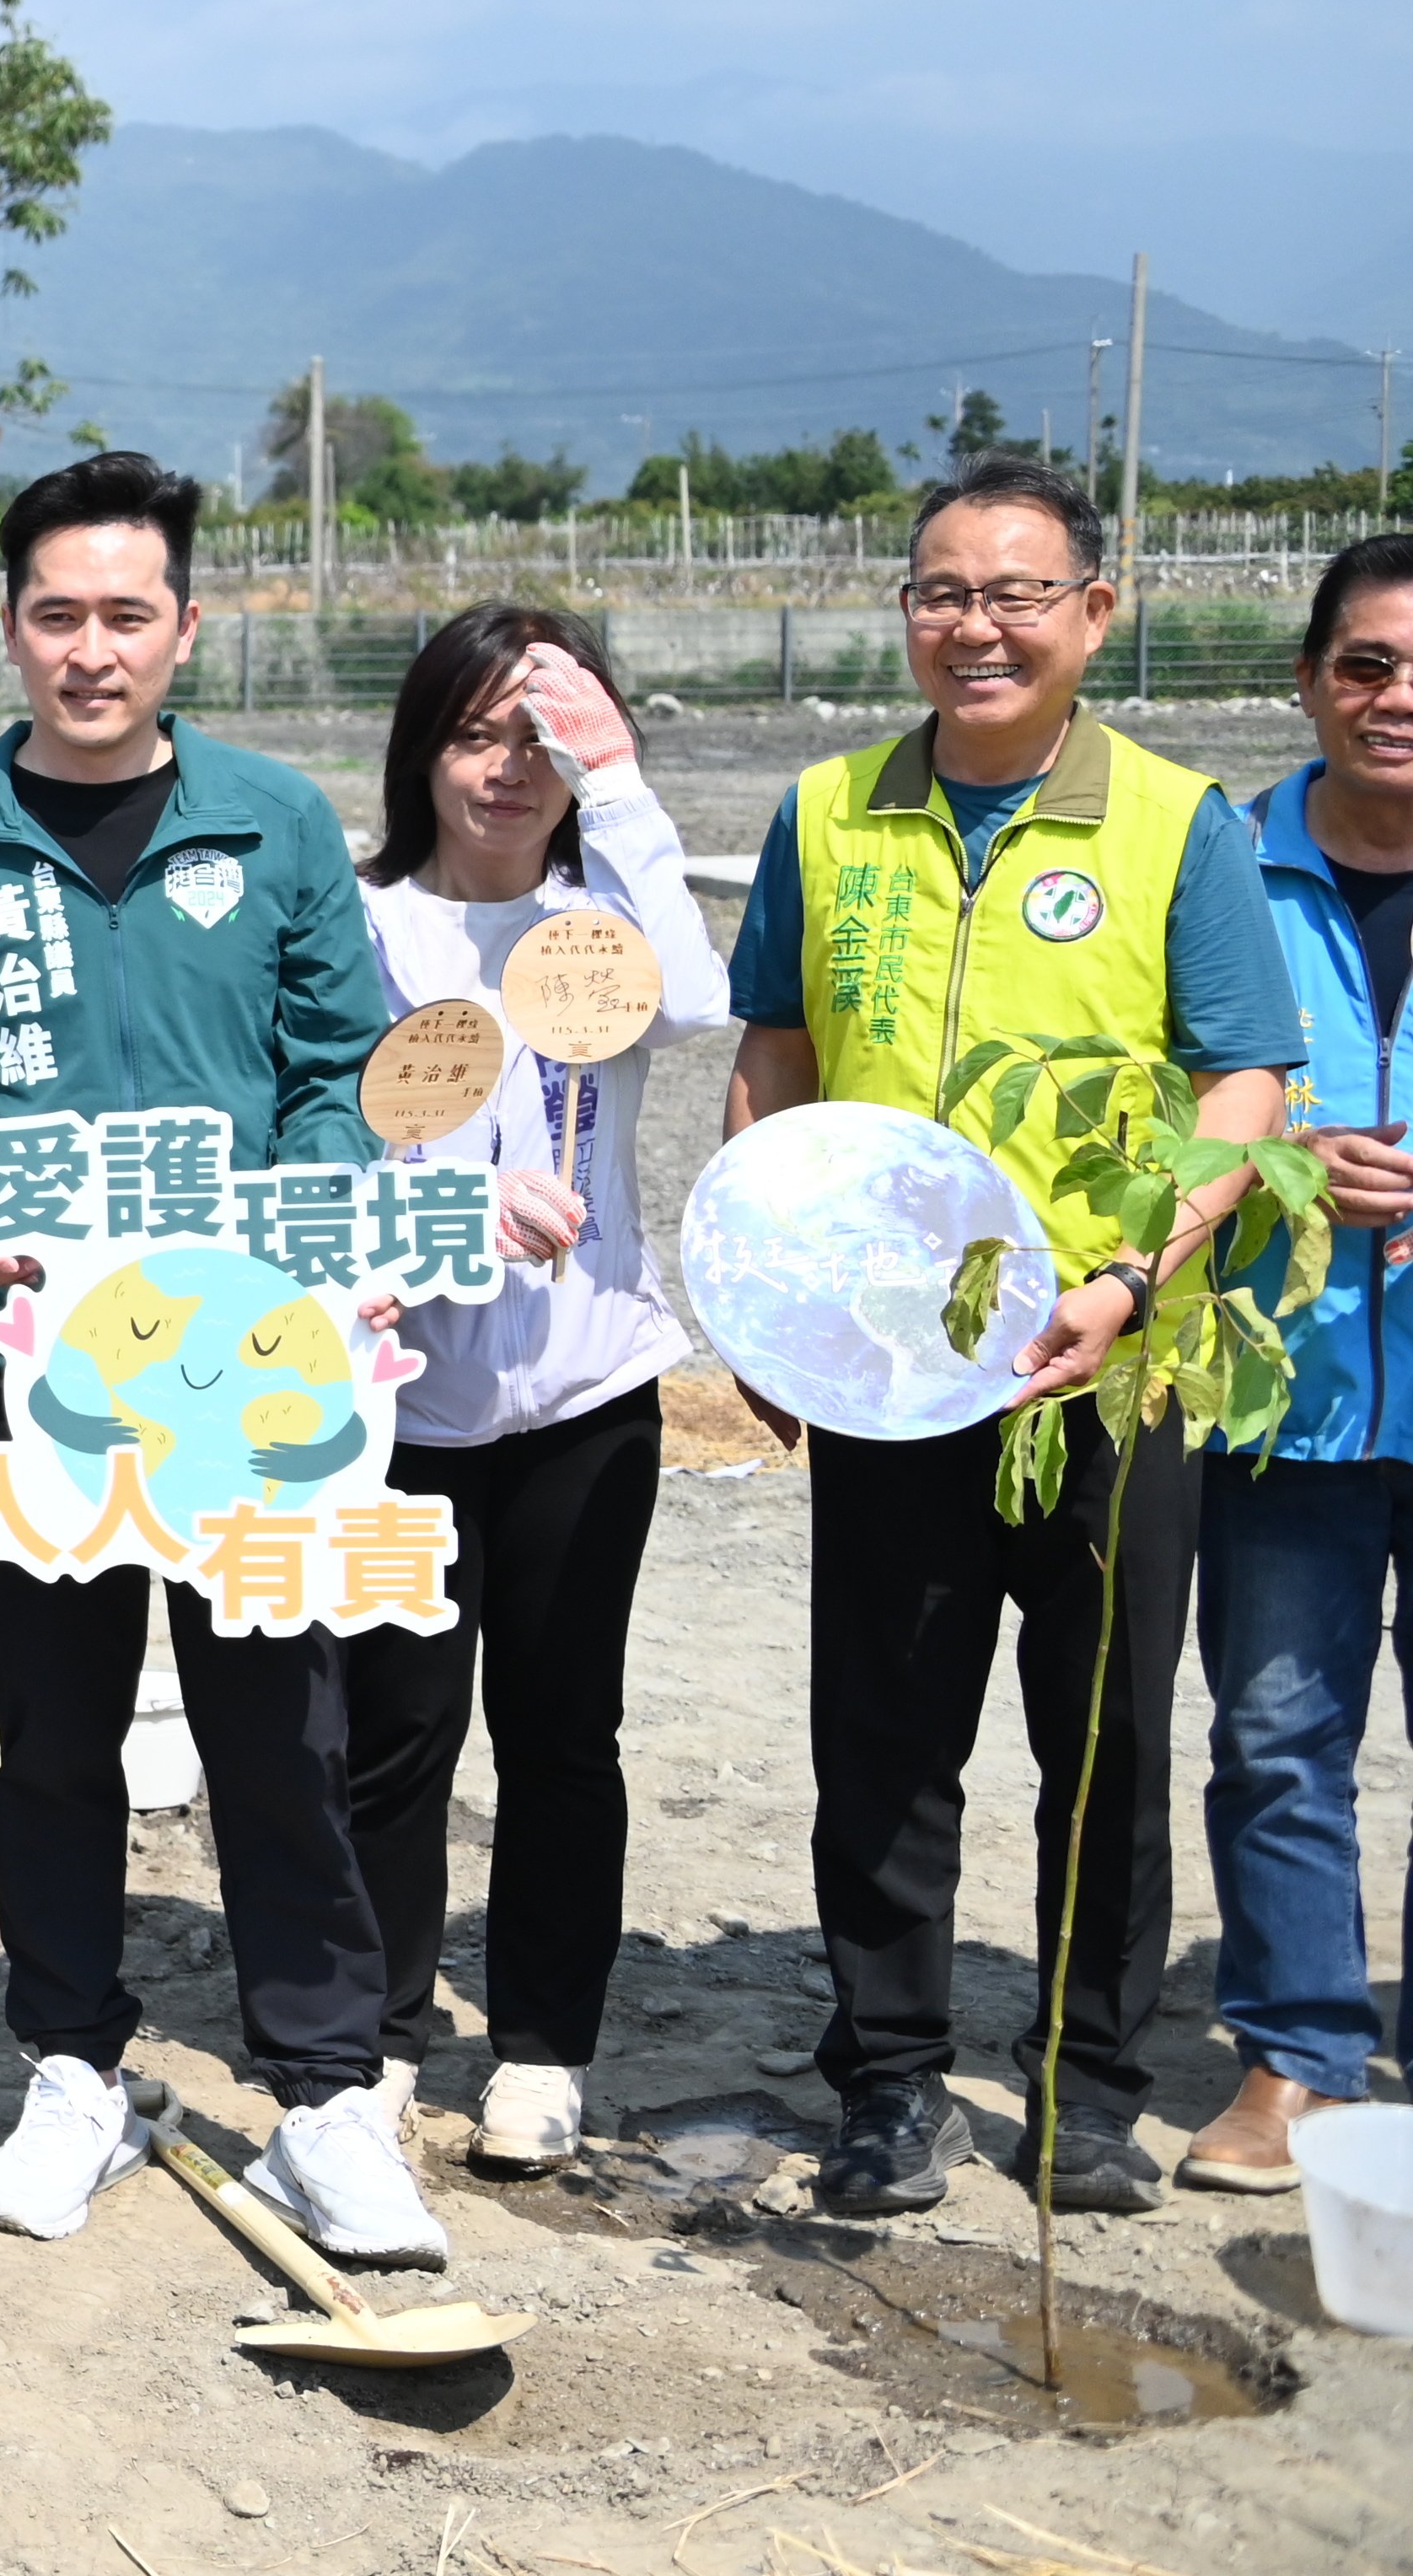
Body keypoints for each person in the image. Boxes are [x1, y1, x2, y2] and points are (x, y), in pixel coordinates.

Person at [0, 452, 443, 2265]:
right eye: (57, 614)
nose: (91, 650)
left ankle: (329, 2096)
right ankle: (74, 2065)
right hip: (30, 1362)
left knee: (280, 1725)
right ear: (8, 624)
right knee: (54, 1734)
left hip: (250, 1360)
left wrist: (307, 1230)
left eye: (128, 614)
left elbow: (340, 1068)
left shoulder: (273, 821)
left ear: (187, 625)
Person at [719, 454, 1297, 2217]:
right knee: (883, 1736)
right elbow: (776, 1053)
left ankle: (1084, 2086)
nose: (976, 624)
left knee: (1107, 1735)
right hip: (894, 1370)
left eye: (1017, 593)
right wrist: (761, 1290)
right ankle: (888, 2085)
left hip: (1112, 1364)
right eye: (942, 592)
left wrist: (1129, 1274)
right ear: (907, 612)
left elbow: (1246, 1085)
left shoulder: (1176, 822)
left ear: (1092, 614)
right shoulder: (826, 813)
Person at [341, 608, 728, 2178]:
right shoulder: (362, 927)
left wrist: (622, 785)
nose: (509, 770)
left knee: (566, 1732)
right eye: (476, 733)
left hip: (585, 1394)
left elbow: (701, 1002)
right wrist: (444, 1205)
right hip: (398, 1404)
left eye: (544, 739)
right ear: (419, 751)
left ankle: (545, 2045)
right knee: (392, 1730)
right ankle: (372, 2032)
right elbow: (311, 1142)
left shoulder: (610, 927)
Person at [1186, 531, 1413, 2197]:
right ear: (1311, 678)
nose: (1397, 700)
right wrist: (1281, 1159)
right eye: (1368, 664)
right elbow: (1148, 1096)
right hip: (1284, 1389)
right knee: (1278, 1731)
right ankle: (1299, 2061)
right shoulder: (1223, 862)